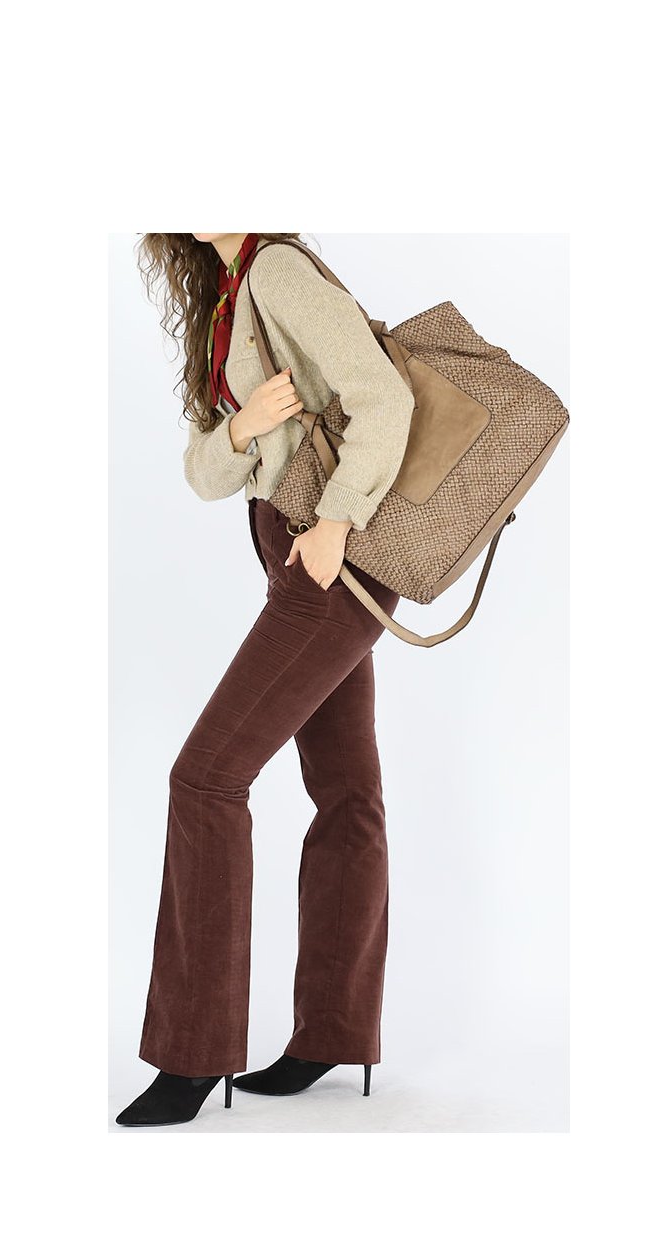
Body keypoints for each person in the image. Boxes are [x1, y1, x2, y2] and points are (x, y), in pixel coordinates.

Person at [116, 233, 416, 1126]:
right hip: (300, 558)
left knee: (205, 778)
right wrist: (243, 427)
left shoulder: (277, 269)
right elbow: (202, 471)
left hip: (327, 560)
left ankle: (191, 1055)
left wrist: (336, 523)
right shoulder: (225, 294)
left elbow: (386, 398)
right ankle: (333, 1032)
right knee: (347, 790)